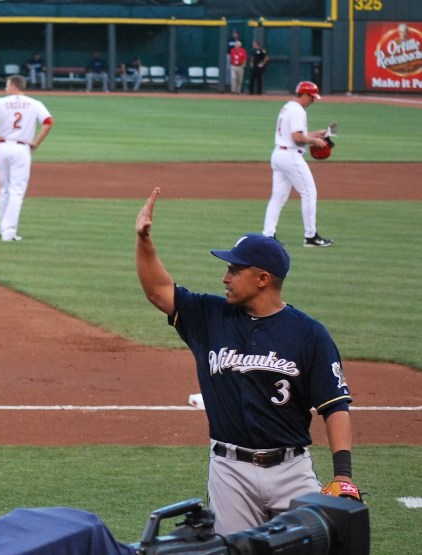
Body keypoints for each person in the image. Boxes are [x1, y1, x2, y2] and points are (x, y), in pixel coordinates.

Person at [135, 188, 356, 535]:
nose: (225, 278)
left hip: (291, 470)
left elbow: (335, 404)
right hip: (230, 472)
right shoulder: (209, 316)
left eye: (234, 270)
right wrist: (144, 241)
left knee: (315, 543)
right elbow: (157, 290)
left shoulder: (309, 333)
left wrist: (343, 474)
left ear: (263, 279)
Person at [0, 75, 54, 242]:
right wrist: (36, 142)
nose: (6, 88)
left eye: (7, 85)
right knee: (17, 191)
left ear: (13, 86)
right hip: (21, 149)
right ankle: (9, 232)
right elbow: (48, 121)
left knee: (4, 190)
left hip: (3, 148)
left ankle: (3, 228)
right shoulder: (34, 103)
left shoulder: (1, 102)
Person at [263, 81, 334, 247]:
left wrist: (315, 134)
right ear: (305, 95)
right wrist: (314, 141)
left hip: (279, 154)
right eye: (312, 97)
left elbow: (294, 134)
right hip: (290, 156)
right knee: (309, 192)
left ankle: (268, 235)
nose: (313, 100)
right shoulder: (298, 111)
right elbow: (297, 137)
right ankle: (310, 236)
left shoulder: (288, 107)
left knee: (277, 198)